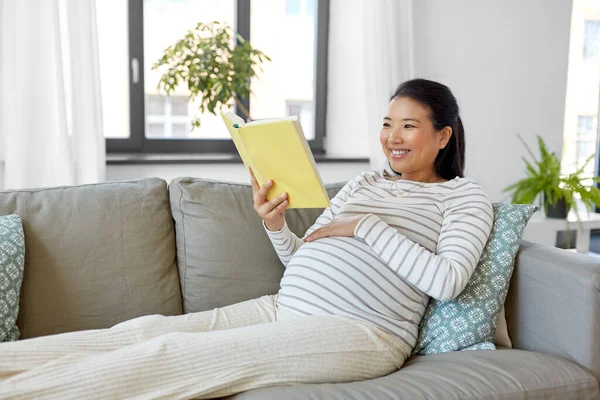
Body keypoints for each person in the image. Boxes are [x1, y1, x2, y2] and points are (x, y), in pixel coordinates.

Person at [0, 78, 493, 399]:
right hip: (285, 305)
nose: (393, 137)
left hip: (362, 331)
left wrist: (366, 227)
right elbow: (309, 252)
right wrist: (275, 225)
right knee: (144, 331)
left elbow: (447, 281)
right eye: (388, 124)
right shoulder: (366, 182)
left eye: (409, 126)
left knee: (166, 358)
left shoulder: (463, 198)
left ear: (443, 136)